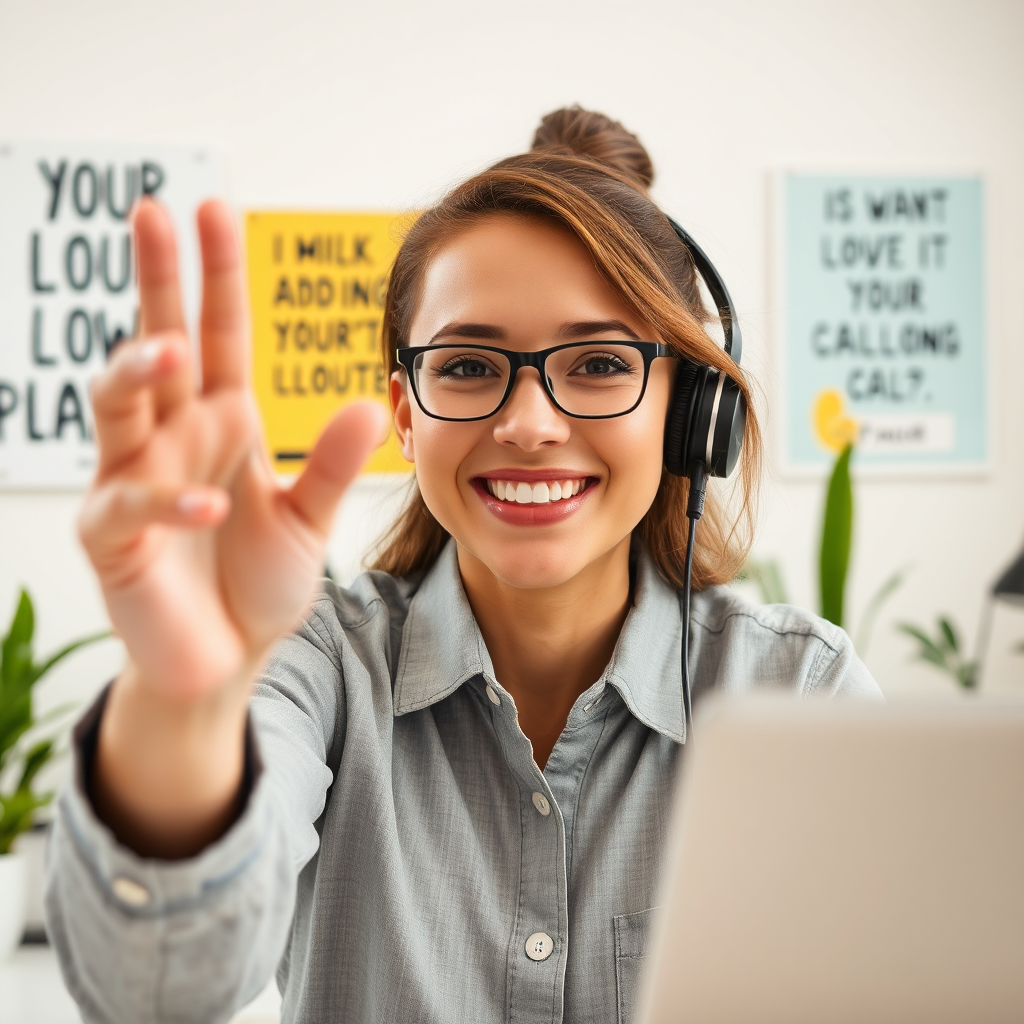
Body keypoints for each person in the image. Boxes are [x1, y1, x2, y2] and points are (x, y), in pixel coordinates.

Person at [46, 108, 880, 1024]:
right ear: (406, 414)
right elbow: (158, 984)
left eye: (600, 361)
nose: (528, 424)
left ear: (687, 408)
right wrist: (184, 703)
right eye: (471, 366)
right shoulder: (318, 666)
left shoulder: (801, 690)